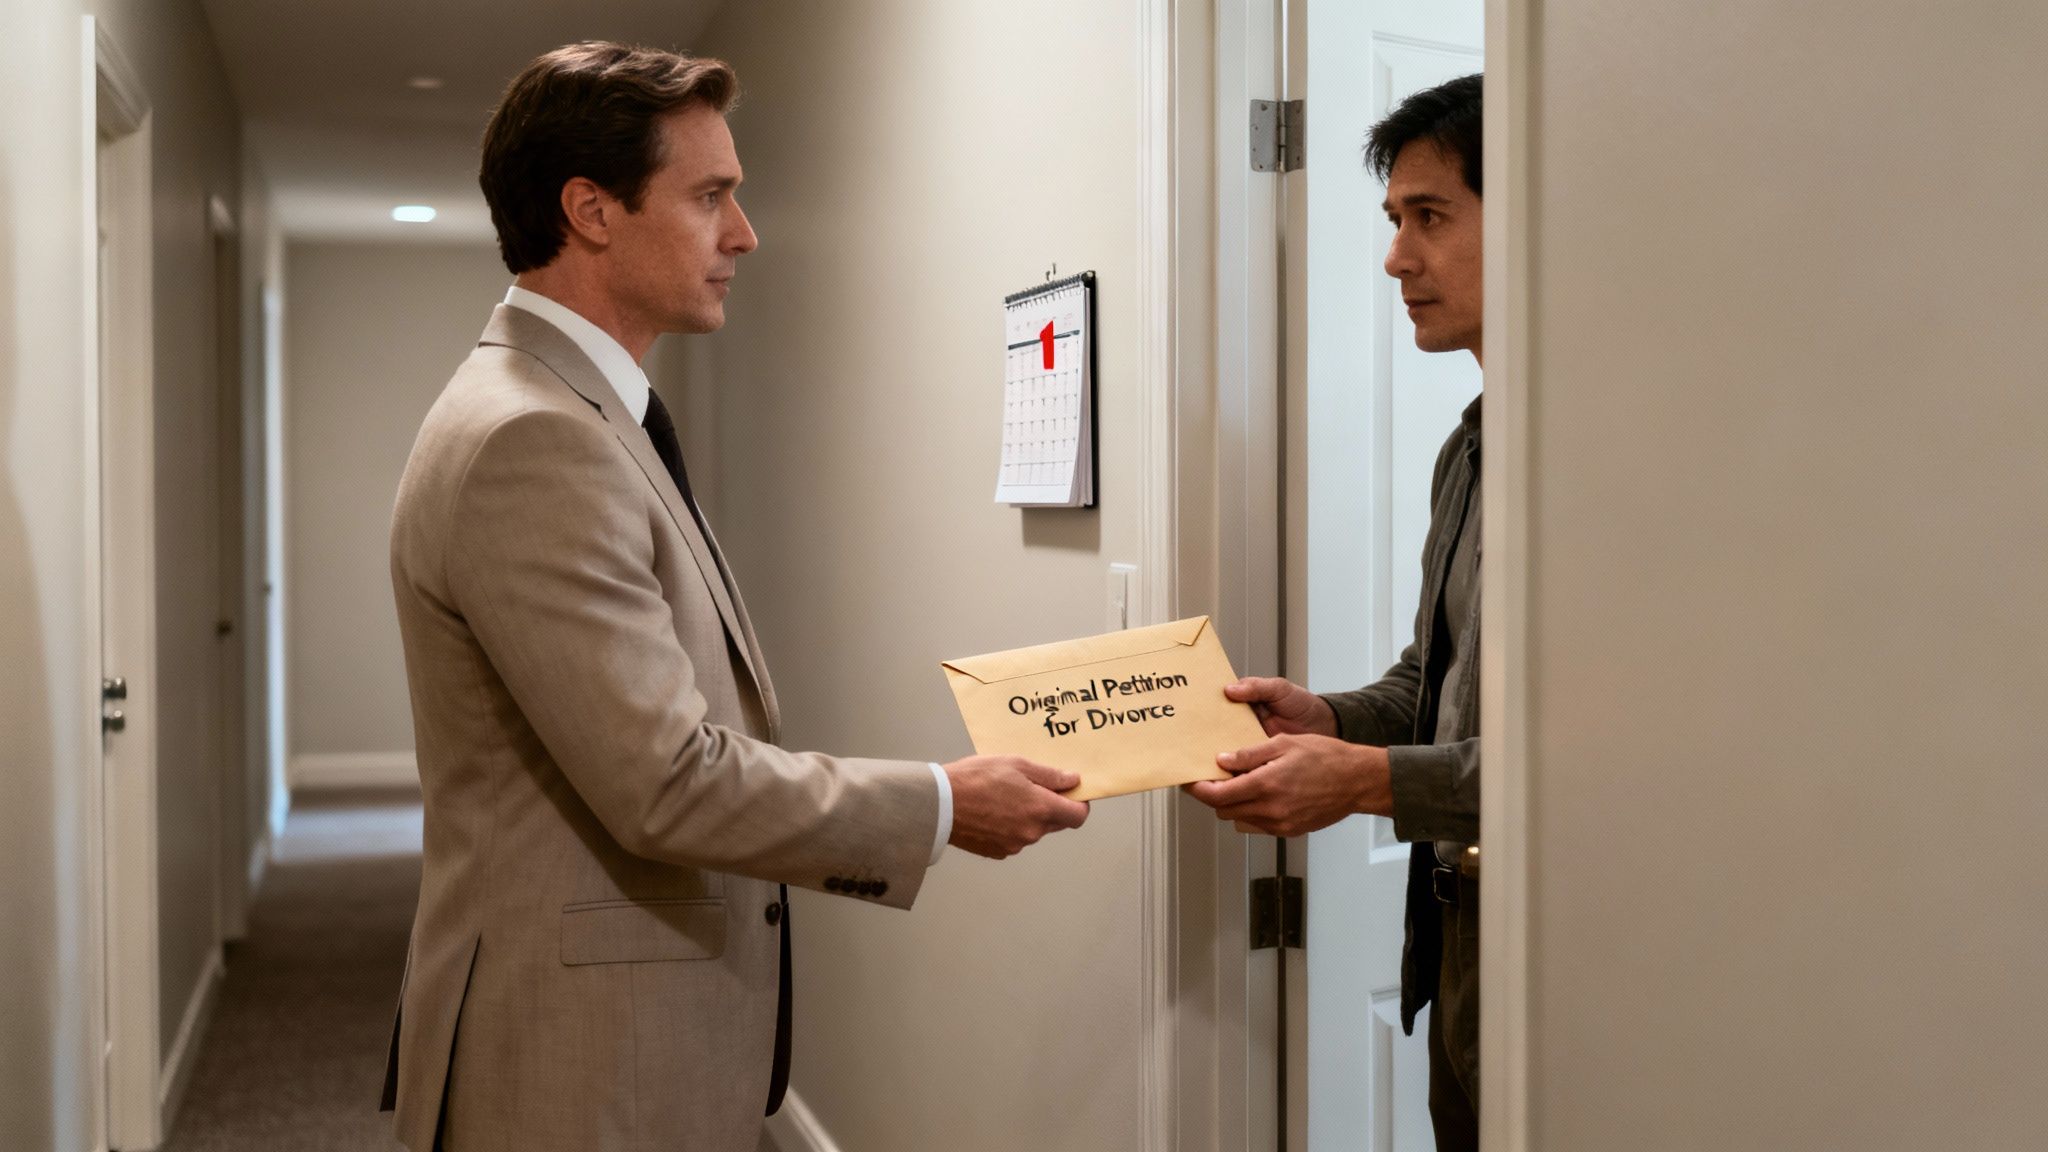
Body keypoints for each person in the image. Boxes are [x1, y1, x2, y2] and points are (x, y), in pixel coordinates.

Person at [379, 42, 1088, 1152]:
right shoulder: (534, 437)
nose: (744, 234)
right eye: (710, 196)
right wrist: (944, 806)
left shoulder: (576, 411)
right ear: (591, 210)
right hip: (573, 1061)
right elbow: (664, 785)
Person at [1184, 73, 1486, 1151]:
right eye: (1394, 221)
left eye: (1430, 217)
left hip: (1575, 972)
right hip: (1460, 968)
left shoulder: (1617, 463)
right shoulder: (1470, 451)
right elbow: (1431, 683)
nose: (1398, 257)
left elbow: (1598, 761)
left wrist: (1358, 781)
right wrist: (1329, 720)